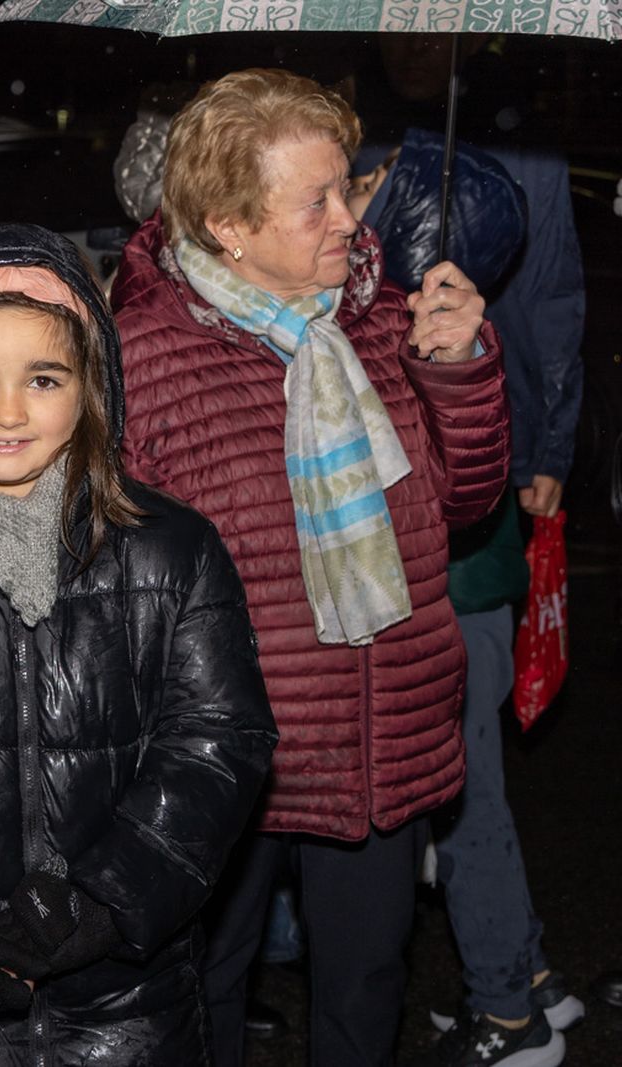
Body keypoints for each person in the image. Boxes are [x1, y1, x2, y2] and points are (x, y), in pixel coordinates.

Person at [111, 68, 510, 1067]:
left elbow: (460, 509)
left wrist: (457, 372)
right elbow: (115, 579)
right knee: (205, 987)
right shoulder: (145, 356)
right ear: (228, 223)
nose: (351, 217)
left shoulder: (386, 321)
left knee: (364, 989)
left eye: (349, 186)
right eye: (319, 199)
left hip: (377, 735)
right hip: (225, 755)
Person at [0, 222, 278, 1065]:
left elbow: (217, 744)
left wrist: (104, 902)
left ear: (91, 388)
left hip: (125, 1014)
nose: (7, 411)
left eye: (43, 377)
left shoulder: (172, 551)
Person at [343, 126, 581, 1067]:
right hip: (474, 579)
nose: (347, 200)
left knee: (464, 798)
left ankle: (509, 1020)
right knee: (474, 793)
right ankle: (527, 978)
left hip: (457, 588)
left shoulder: (435, 339)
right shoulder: (422, 323)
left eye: (363, 186)